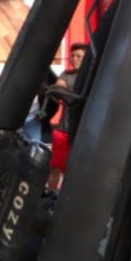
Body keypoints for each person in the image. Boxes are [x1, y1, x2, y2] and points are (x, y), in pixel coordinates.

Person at [46, 42, 88, 189]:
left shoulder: (91, 76)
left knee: (75, 170)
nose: (75, 59)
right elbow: (58, 87)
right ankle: (50, 194)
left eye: (79, 56)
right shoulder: (66, 74)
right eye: (73, 56)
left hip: (82, 132)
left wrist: (68, 93)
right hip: (63, 130)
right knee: (55, 167)